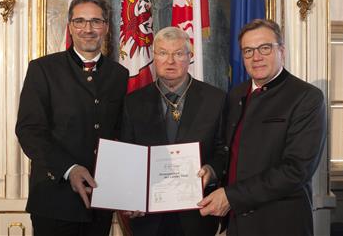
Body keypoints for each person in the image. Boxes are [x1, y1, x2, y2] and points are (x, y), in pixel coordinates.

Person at [198, 19, 326, 236]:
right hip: (236, 223)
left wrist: (232, 197)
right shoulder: (235, 95)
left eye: (265, 48)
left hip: (280, 223)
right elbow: (227, 149)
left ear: (282, 51)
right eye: (248, 51)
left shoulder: (306, 97)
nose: (256, 57)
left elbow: (296, 170)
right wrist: (211, 169)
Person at [15, 0, 129, 236]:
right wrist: (69, 168)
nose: (88, 29)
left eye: (96, 22)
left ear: (106, 27)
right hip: (54, 200)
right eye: (80, 21)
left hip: (100, 201)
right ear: (70, 26)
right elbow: (29, 130)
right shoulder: (43, 69)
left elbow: (120, 133)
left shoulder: (119, 74)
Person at [121, 26, 227, 236]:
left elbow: (224, 149)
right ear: (154, 57)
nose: (170, 61)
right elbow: (127, 155)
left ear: (190, 56)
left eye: (178, 53)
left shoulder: (216, 99)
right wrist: (130, 196)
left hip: (197, 213)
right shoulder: (133, 102)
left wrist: (212, 170)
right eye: (163, 53)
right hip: (147, 216)